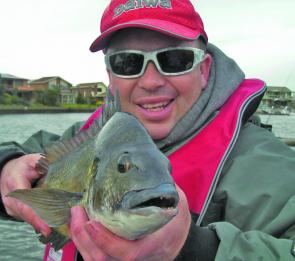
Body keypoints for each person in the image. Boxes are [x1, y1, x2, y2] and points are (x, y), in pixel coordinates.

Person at [0, 0, 295, 260]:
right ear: (111, 76)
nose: (151, 81)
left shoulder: (271, 167)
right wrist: (6, 165)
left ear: (203, 70)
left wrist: (193, 248)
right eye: (127, 62)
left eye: (174, 60)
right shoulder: (81, 138)